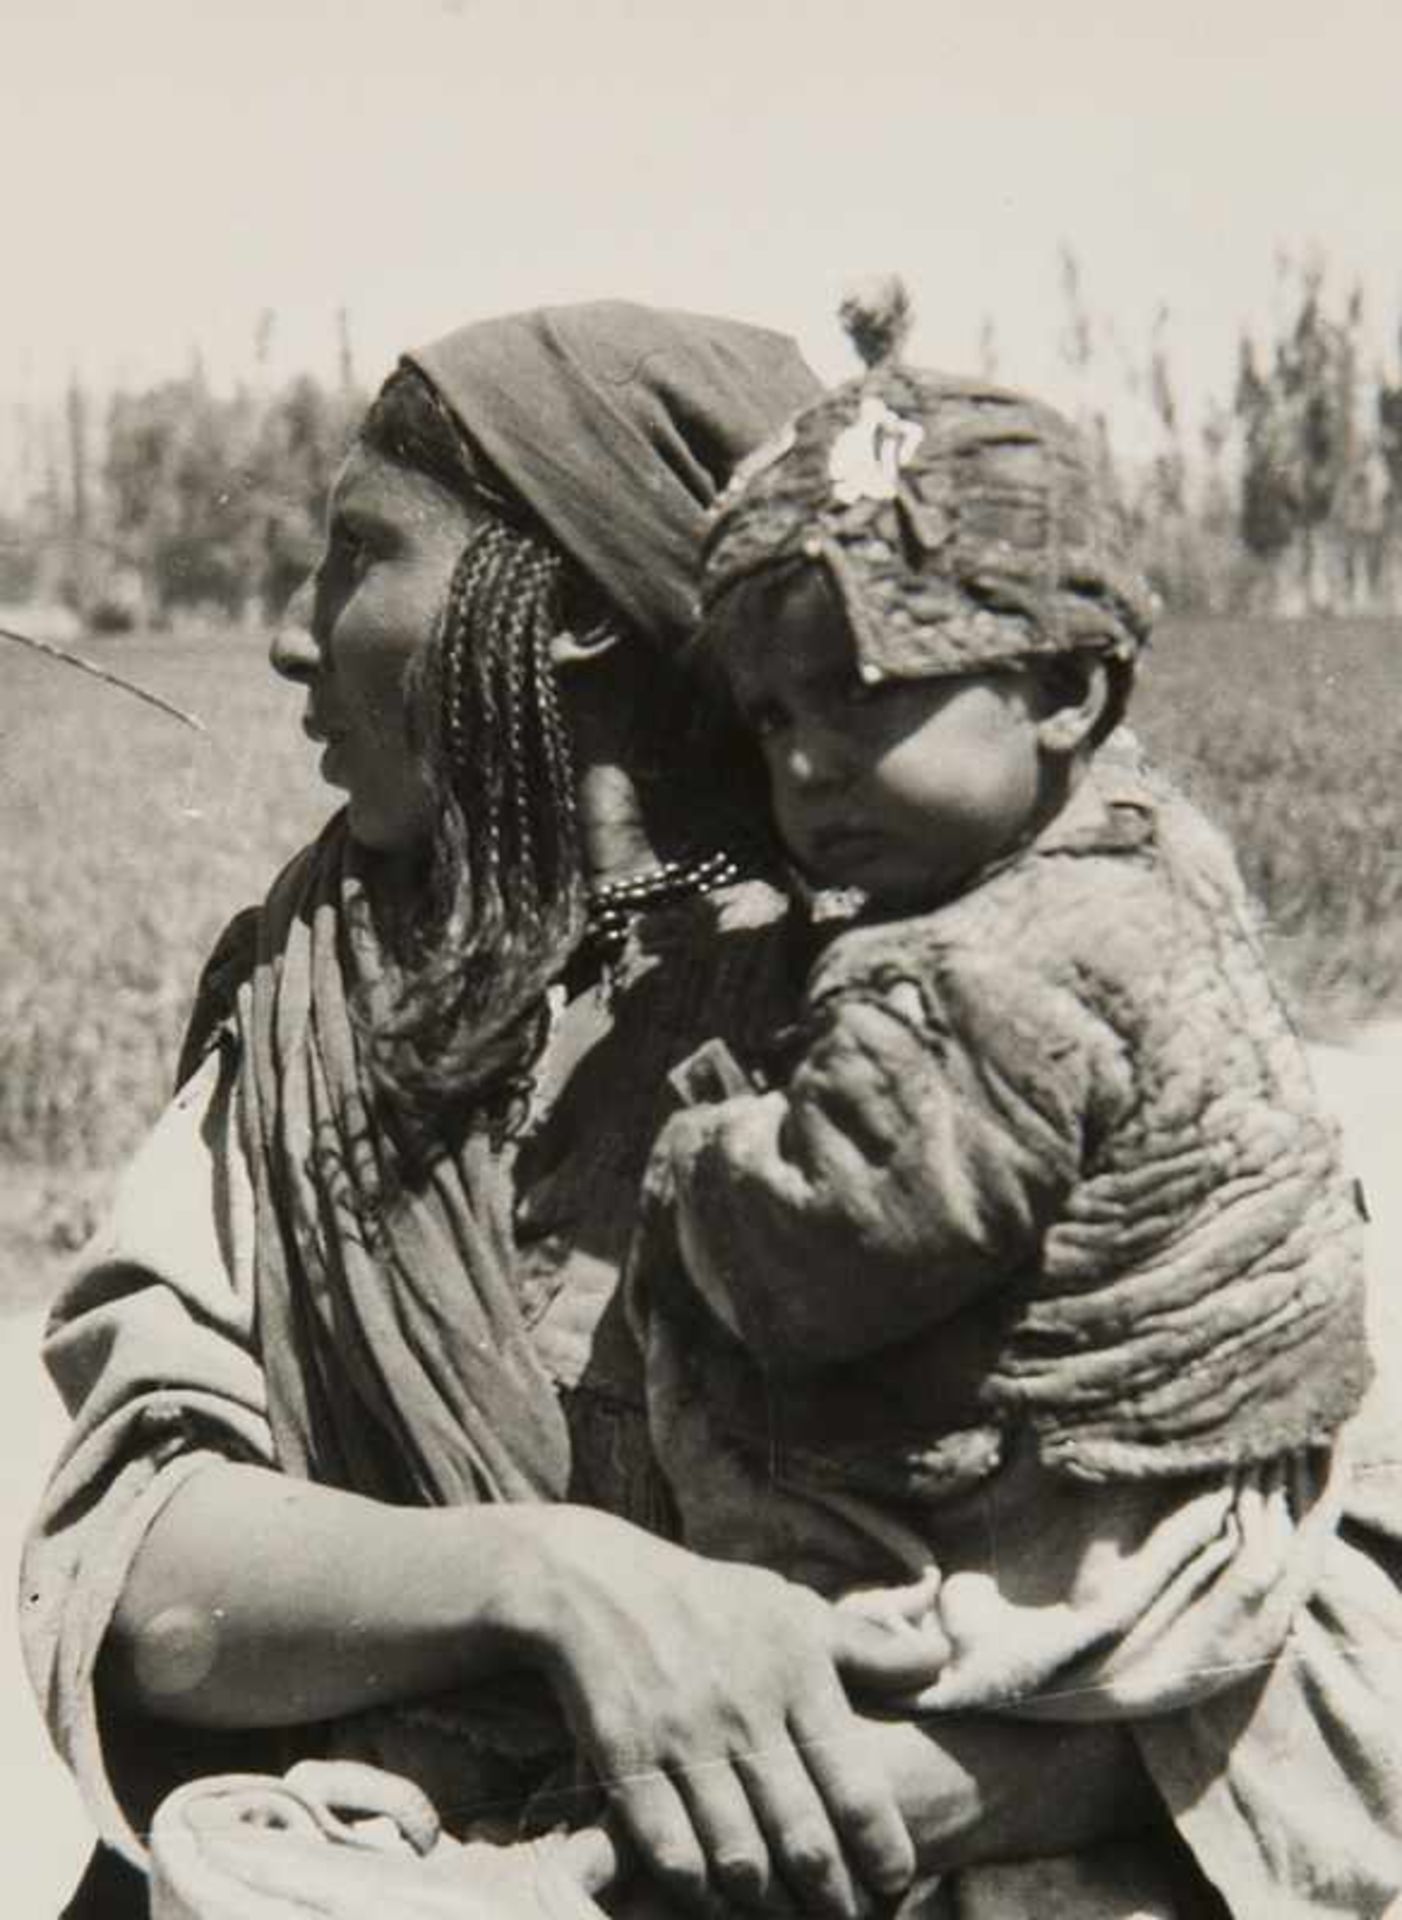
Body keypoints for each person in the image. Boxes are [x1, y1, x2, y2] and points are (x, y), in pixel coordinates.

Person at [21, 300, 1165, 1920]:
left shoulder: (1008, 991)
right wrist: (556, 1584)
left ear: (559, 611)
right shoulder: (323, 995)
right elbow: (145, 1567)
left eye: (358, 554)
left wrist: (790, 1799)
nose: (292, 631)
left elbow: (1279, 1617)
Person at [626, 295, 1402, 1916]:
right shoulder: (1139, 846)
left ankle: (842, 1635)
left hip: (1087, 1540)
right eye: (773, 718)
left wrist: (704, 1151)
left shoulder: (981, 974)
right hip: (1237, 1467)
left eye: (866, 690)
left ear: (1065, 690)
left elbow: (825, 1251)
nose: (808, 767)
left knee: (718, 1366)